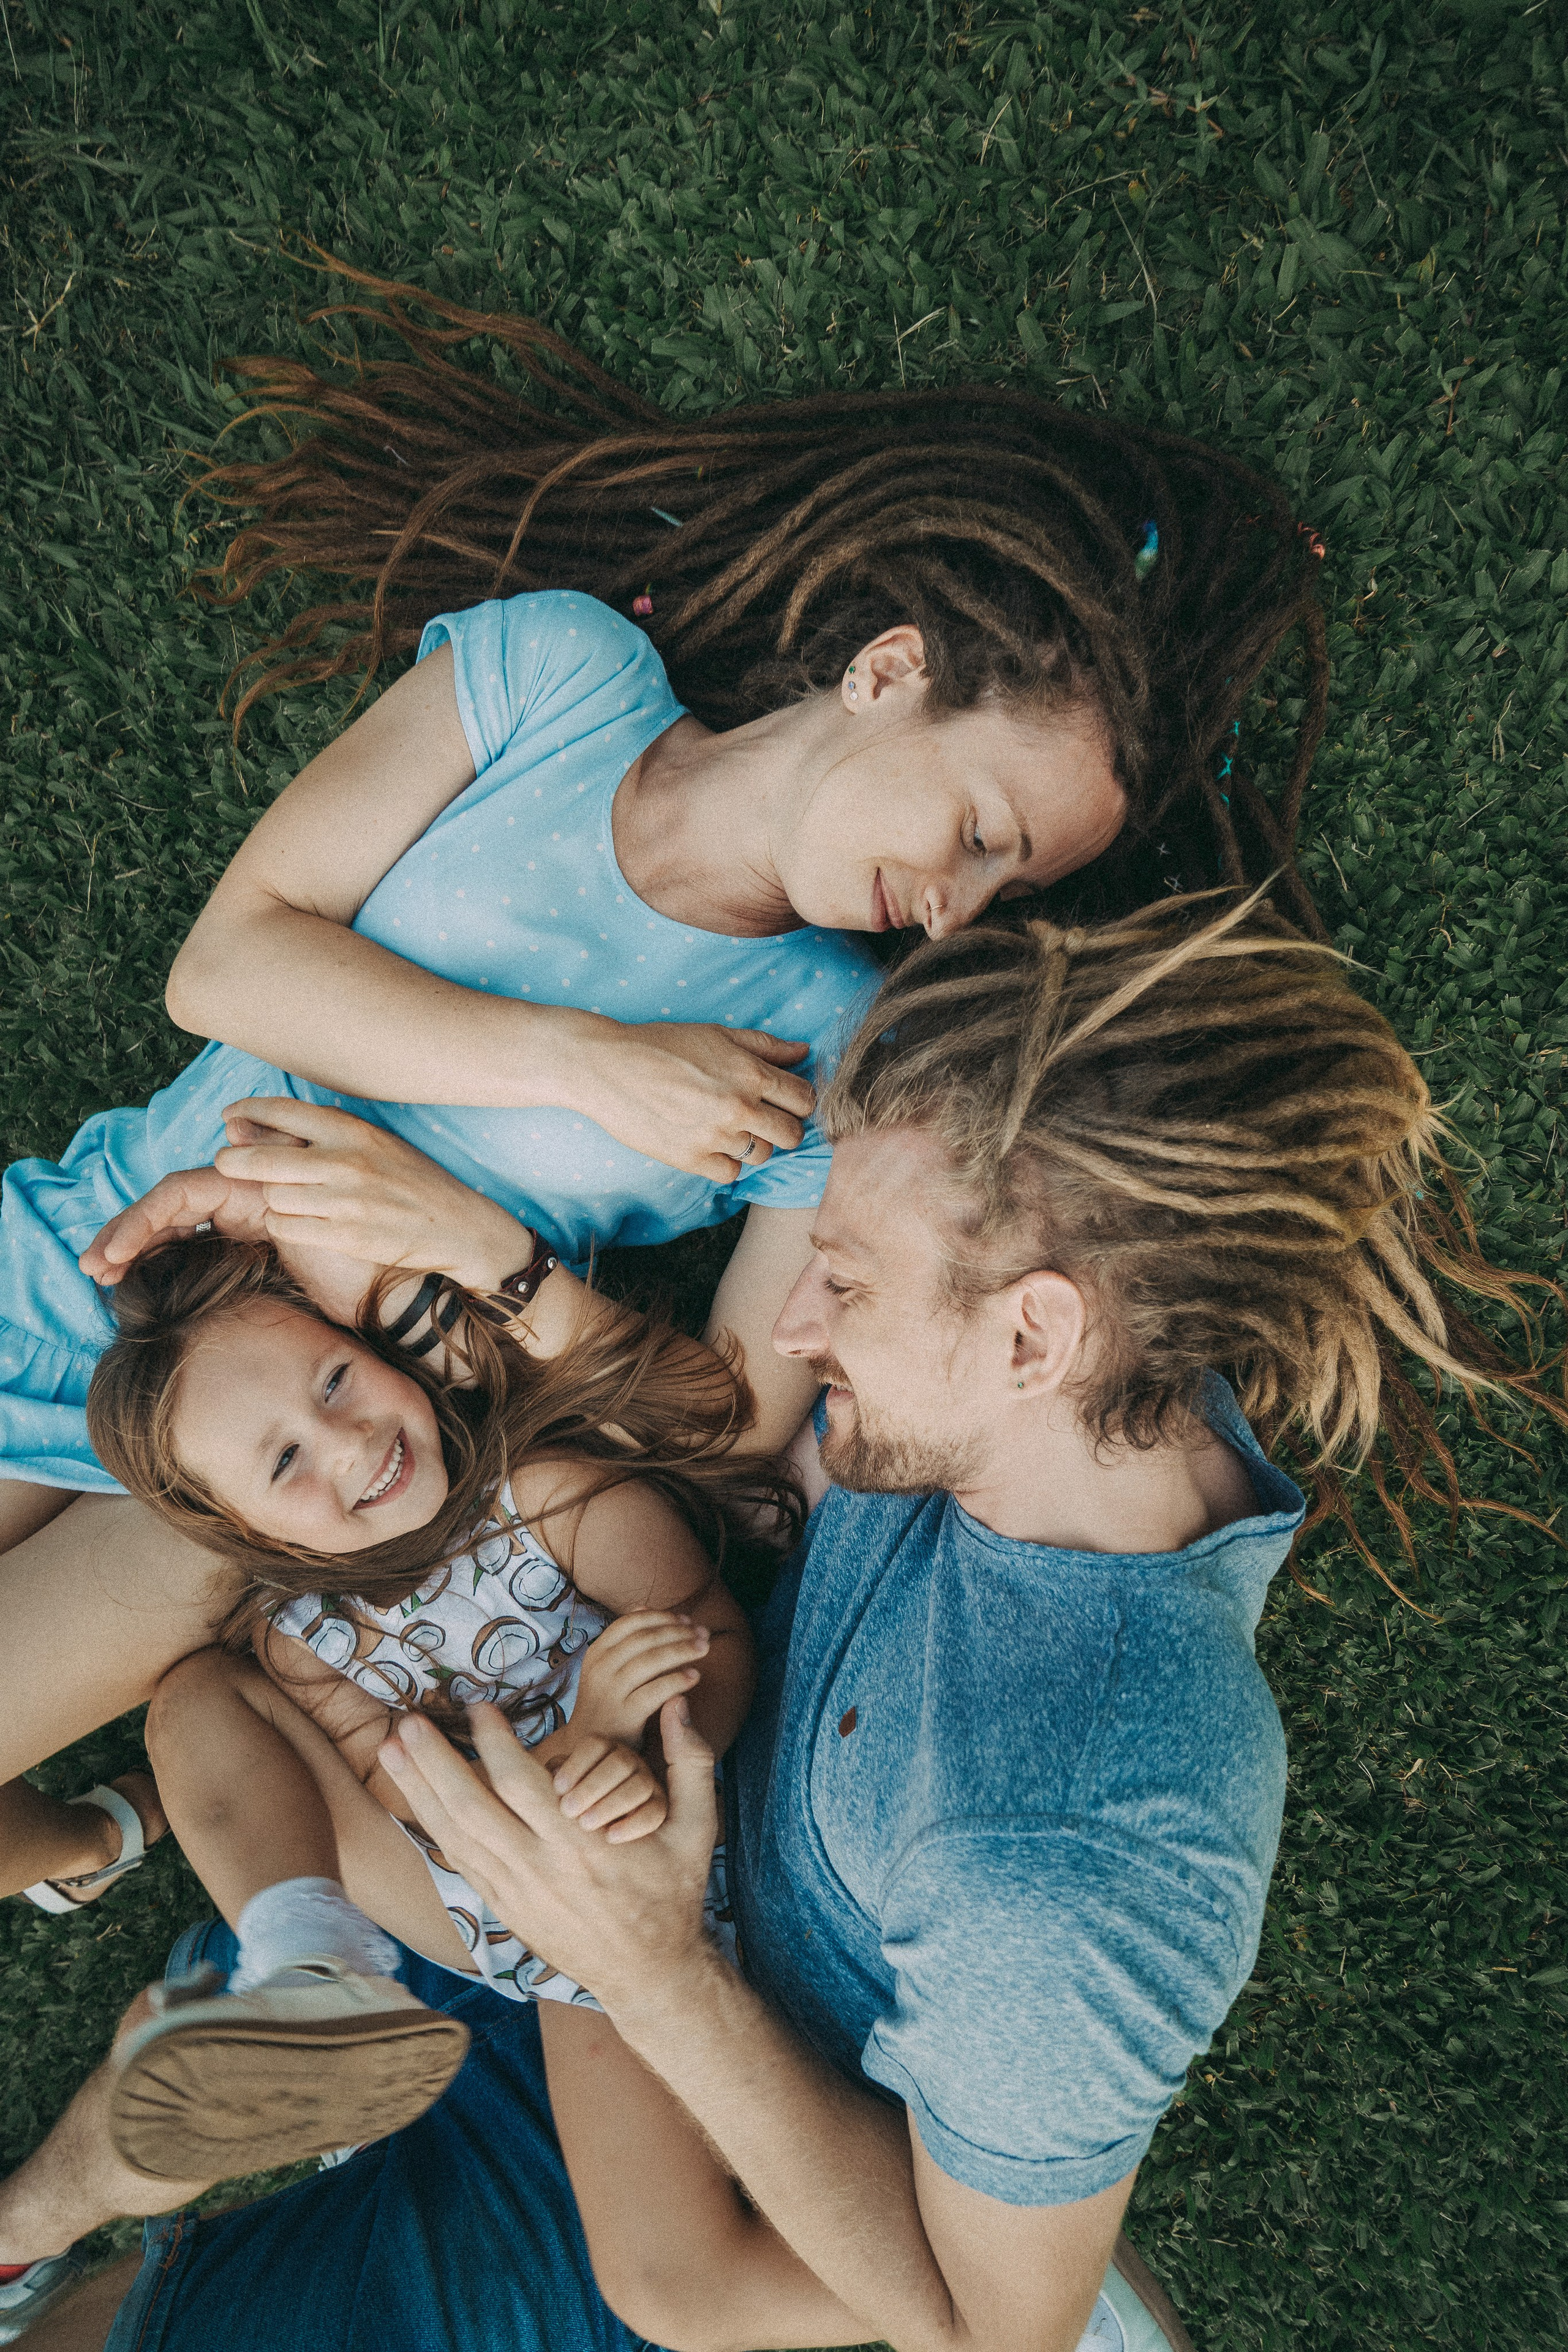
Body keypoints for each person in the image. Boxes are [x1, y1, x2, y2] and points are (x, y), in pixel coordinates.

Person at [4, 888, 1554, 2352]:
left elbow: (988, 2328)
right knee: (206, 1603)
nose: (793, 1333)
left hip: (706, 2059)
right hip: (583, 1852)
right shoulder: (1081, 1385)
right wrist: (363, 1262)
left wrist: (651, 1964)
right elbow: (716, 1448)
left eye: (846, 1285)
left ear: (1032, 1334)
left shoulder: (1058, 1864)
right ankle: (227, 2002)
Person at [0, 267, 1329, 1905]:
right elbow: (229, 966)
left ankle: (89, 1835)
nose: (961, 903)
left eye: (1009, 890)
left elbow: (723, 1428)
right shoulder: (557, 677)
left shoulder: (834, 1049)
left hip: (282, 1449)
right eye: (980, 830)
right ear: (891, 670)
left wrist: (473, 1243)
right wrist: (580, 1063)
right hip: (84, 1250)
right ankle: (92, 1838)